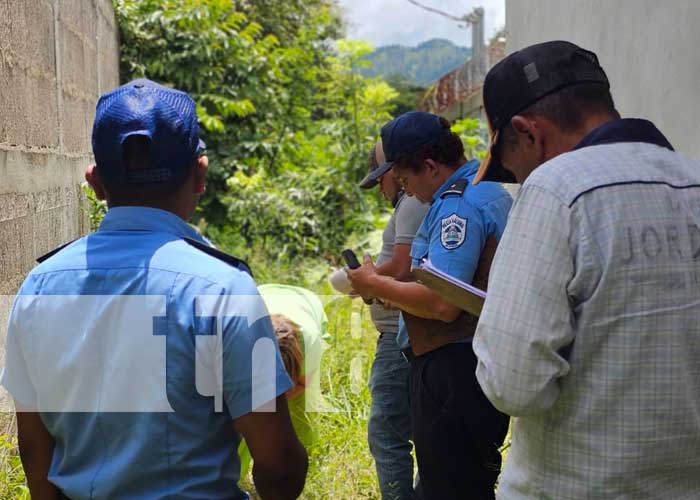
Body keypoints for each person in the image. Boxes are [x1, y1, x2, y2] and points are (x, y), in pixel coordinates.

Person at [1, 79, 307, 500]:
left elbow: (35, 448)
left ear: (96, 183)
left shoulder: (39, 287)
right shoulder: (223, 289)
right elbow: (278, 463)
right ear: (199, 175)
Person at [472, 40, 700, 499]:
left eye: (511, 170)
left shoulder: (557, 190)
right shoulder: (693, 180)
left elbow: (514, 384)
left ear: (528, 132)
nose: (517, 181)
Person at [348, 111, 512, 500]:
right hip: (475, 362)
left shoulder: (458, 206)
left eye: (406, 181)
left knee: (449, 486)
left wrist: (374, 282)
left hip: (451, 367)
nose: (410, 193)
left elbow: (443, 302)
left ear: (431, 166)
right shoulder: (490, 192)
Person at [357, 141, 429, 500]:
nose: (381, 190)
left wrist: (366, 278)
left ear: (394, 175)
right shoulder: (410, 204)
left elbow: (403, 269)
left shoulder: (412, 204)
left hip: (400, 333)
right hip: (401, 331)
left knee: (387, 430)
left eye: (381, 181)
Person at [238, 283, 330, 480]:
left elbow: (303, 384)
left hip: (305, 300)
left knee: (298, 413)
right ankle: (235, 477)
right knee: (246, 416)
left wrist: (274, 406)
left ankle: (304, 471)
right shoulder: (241, 335)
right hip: (263, 293)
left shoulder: (309, 341)